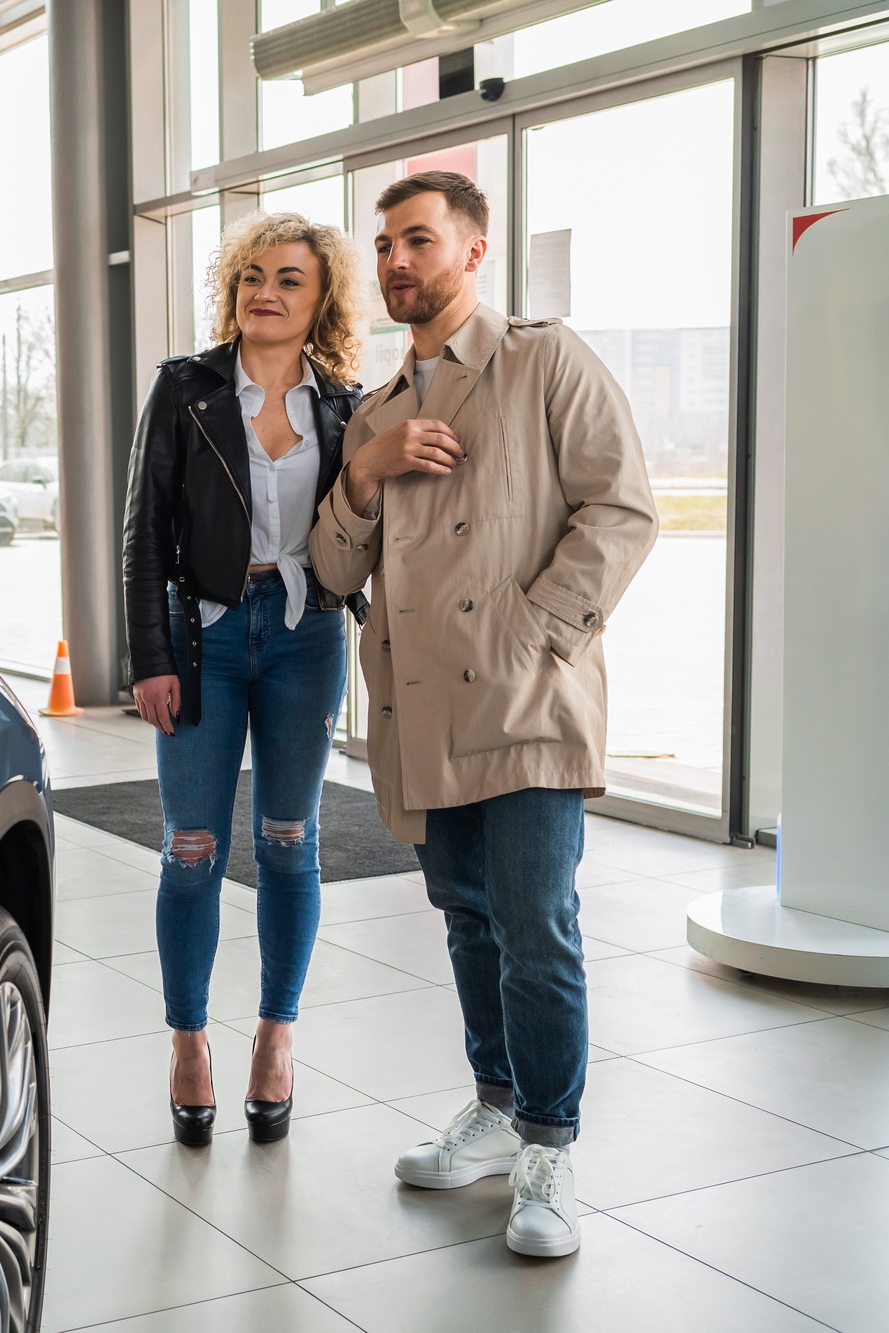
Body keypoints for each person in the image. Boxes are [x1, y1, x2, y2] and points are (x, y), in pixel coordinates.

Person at [308, 170, 658, 1257]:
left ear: (472, 251)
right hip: (418, 713)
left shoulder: (543, 360)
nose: (394, 262)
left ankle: (549, 1140)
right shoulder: (373, 410)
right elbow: (328, 567)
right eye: (383, 245)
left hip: (522, 700)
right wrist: (360, 475)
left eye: (417, 240)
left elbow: (622, 507)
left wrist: (535, 633)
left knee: (535, 929)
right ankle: (496, 1106)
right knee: (465, 920)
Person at [123, 212, 369, 1148]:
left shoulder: (343, 403)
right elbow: (144, 529)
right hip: (204, 637)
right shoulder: (185, 389)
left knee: (287, 838)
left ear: (321, 299)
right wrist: (149, 655)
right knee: (191, 844)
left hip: (306, 633)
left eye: (289, 279)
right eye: (251, 276)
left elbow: (365, 523)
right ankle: (190, 1040)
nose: (264, 291)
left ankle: (275, 1033)